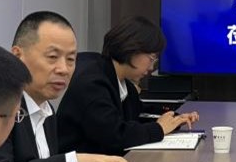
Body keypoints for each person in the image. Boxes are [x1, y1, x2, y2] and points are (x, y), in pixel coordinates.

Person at [0, 11, 134, 162]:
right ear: (17, 56)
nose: (63, 69)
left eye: (71, 59)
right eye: (52, 57)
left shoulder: (47, 110)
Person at [58, 16, 199, 154]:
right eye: (151, 59)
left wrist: (175, 119)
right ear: (132, 49)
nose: (151, 67)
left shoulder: (124, 84)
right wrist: (159, 128)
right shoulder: (92, 83)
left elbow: (140, 114)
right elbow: (115, 135)